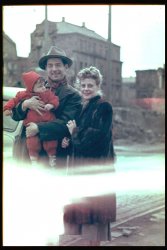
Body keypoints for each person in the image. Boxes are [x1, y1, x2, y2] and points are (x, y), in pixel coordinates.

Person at [60, 66, 116, 246]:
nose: (85, 89)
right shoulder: (82, 107)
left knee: (94, 224)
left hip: (96, 172)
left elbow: (97, 139)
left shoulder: (103, 107)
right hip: (83, 171)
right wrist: (68, 141)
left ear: (97, 86)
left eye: (90, 85)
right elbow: (79, 141)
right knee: (86, 224)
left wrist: (74, 131)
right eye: (83, 85)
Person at [11, 46, 82, 167]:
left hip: (53, 156)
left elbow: (66, 123)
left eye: (58, 65)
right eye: (50, 65)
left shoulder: (73, 95)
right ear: (45, 68)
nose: (54, 69)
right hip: (26, 153)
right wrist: (24, 105)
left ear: (65, 67)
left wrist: (38, 128)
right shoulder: (34, 87)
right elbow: (15, 115)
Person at [4, 71, 59, 167]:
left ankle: (52, 157)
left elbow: (54, 99)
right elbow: (14, 100)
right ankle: (33, 159)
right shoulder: (24, 95)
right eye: (40, 87)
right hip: (31, 124)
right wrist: (7, 108)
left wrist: (51, 105)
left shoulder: (47, 93)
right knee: (32, 143)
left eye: (43, 86)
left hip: (47, 122)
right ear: (31, 88)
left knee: (51, 142)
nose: (43, 88)